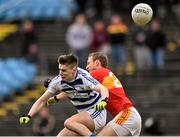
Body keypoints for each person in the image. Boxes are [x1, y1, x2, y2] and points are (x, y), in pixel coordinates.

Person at [46, 52, 142, 136]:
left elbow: (74, 87)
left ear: (97, 63)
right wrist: (56, 97)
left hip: (126, 115)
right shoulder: (104, 74)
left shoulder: (97, 73)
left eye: (88, 63)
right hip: (129, 116)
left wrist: (54, 89)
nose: (87, 67)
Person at [19, 53, 109, 136]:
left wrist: (103, 101)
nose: (60, 73)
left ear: (73, 70)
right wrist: (28, 116)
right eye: (59, 69)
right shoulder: (57, 81)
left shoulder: (84, 77)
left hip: (96, 113)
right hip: (82, 119)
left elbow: (103, 89)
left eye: (64, 70)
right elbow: (42, 100)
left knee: (68, 122)